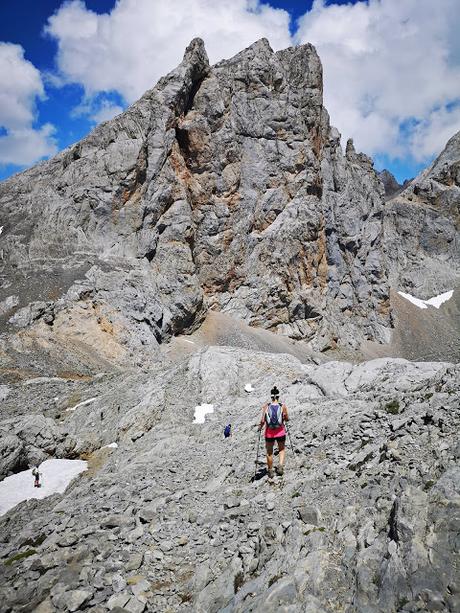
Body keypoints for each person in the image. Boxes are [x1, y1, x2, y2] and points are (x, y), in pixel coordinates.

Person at [258, 385, 289, 478]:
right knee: (281, 449)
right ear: (278, 396)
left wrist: (260, 427)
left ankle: (270, 470)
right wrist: (285, 418)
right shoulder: (282, 406)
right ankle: (280, 466)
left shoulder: (266, 406)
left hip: (269, 433)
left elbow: (263, 421)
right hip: (280, 432)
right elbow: (286, 418)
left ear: (271, 396)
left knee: (269, 452)